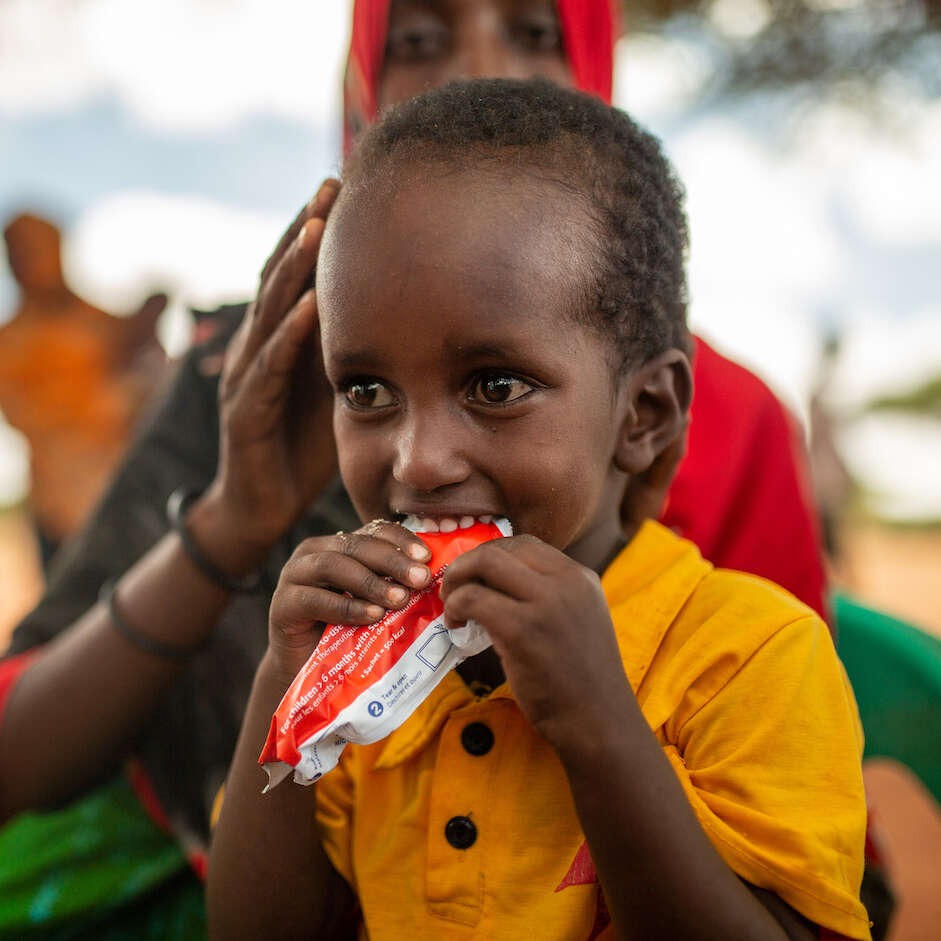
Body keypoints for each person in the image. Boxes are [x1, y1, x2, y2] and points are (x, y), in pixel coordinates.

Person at [0, 0, 826, 879]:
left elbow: (784, 805)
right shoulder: (250, 373)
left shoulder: (730, 419)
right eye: (420, 40)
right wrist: (230, 521)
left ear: (646, 417)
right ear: (360, 91)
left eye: (534, 32)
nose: (478, 66)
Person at [207, 78, 871, 941]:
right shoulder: (363, 665)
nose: (418, 459)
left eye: (495, 385)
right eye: (366, 389)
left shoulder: (745, 655)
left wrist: (597, 723)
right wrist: (285, 687)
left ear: (643, 414)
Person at [0, 213, 167, 566]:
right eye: (16, 253)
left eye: (33, 251)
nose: (25, 263)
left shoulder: (100, 321)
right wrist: (119, 400)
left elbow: (144, 367)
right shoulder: (10, 342)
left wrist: (147, 327)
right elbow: (26, 416)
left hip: (129, 497)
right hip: (60, 509)